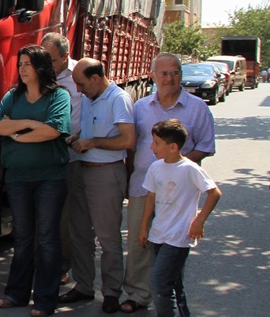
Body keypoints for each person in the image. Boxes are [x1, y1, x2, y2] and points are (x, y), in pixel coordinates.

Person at [121, 53, 215, 314]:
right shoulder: (140, 107)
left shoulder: (198, 108)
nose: (169, 78)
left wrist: (174, 166)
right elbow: (131, 147)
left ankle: (168, 293)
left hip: (179, 194)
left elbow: (206, 146)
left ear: (181, 75)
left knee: (172, 246)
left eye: (174, 72)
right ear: (152, 76)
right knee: (139, 242)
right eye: (163, 73)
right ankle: (139, 295)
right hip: (143, 186)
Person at [0, 44, 71, 317]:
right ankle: (16, 293)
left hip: (50, 178)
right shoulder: (13, 96)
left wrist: (20, 134)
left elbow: (54, 129)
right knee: (22, 238)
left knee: (47, 238)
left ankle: (45, 300)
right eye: (20, 64)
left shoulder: (59, 95)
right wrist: (32, 123)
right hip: (18, 179)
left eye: (27, 64)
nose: (22, 69)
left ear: (41, 67)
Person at [61, 58, 134, 313]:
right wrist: (79, 137)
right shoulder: (92, 98)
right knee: (79, 232)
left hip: (106, 173)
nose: (78, 91)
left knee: (108, 236)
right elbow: (94, 130)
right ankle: (83, 285)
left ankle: (112, 291)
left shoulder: (118, 99)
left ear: (95, 78)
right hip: (82, 169)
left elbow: (127, 139)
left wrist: (92, 142)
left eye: (81, 85)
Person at [140, 119, 221, 317]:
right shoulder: (155, 168)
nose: (152, 147)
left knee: (159, 282)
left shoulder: (190, 169)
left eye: (157, 143)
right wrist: (144, 227)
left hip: (178, 236)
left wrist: (199, 220)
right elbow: (151, 197)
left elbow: (214, 193)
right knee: (173, 283)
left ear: (173, 147)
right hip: (158, 233)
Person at [41, 32, 81, 286]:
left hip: (69, 157)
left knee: (64, 218)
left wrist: (80, 136)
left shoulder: (80, 76)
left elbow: (93, 111)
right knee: (42, 217)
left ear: (66, 57)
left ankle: (63, 266)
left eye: (52, 61)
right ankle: (40, 265)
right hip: (41, 157)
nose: (47, 67)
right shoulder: (38, 73)